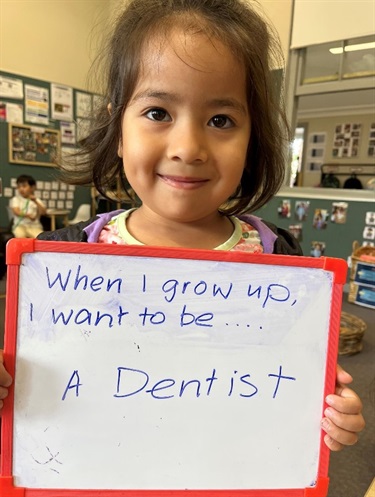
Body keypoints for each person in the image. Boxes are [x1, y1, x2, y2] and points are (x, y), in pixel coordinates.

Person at [0, 0, 364, 451]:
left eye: (220, 120)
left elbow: (294, 389)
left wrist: (329, 414)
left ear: (252, 139)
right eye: (158, 113)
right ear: (117, 128)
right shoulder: (62, 258)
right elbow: (39, 383)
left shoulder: (281, 260)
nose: (188, 147)